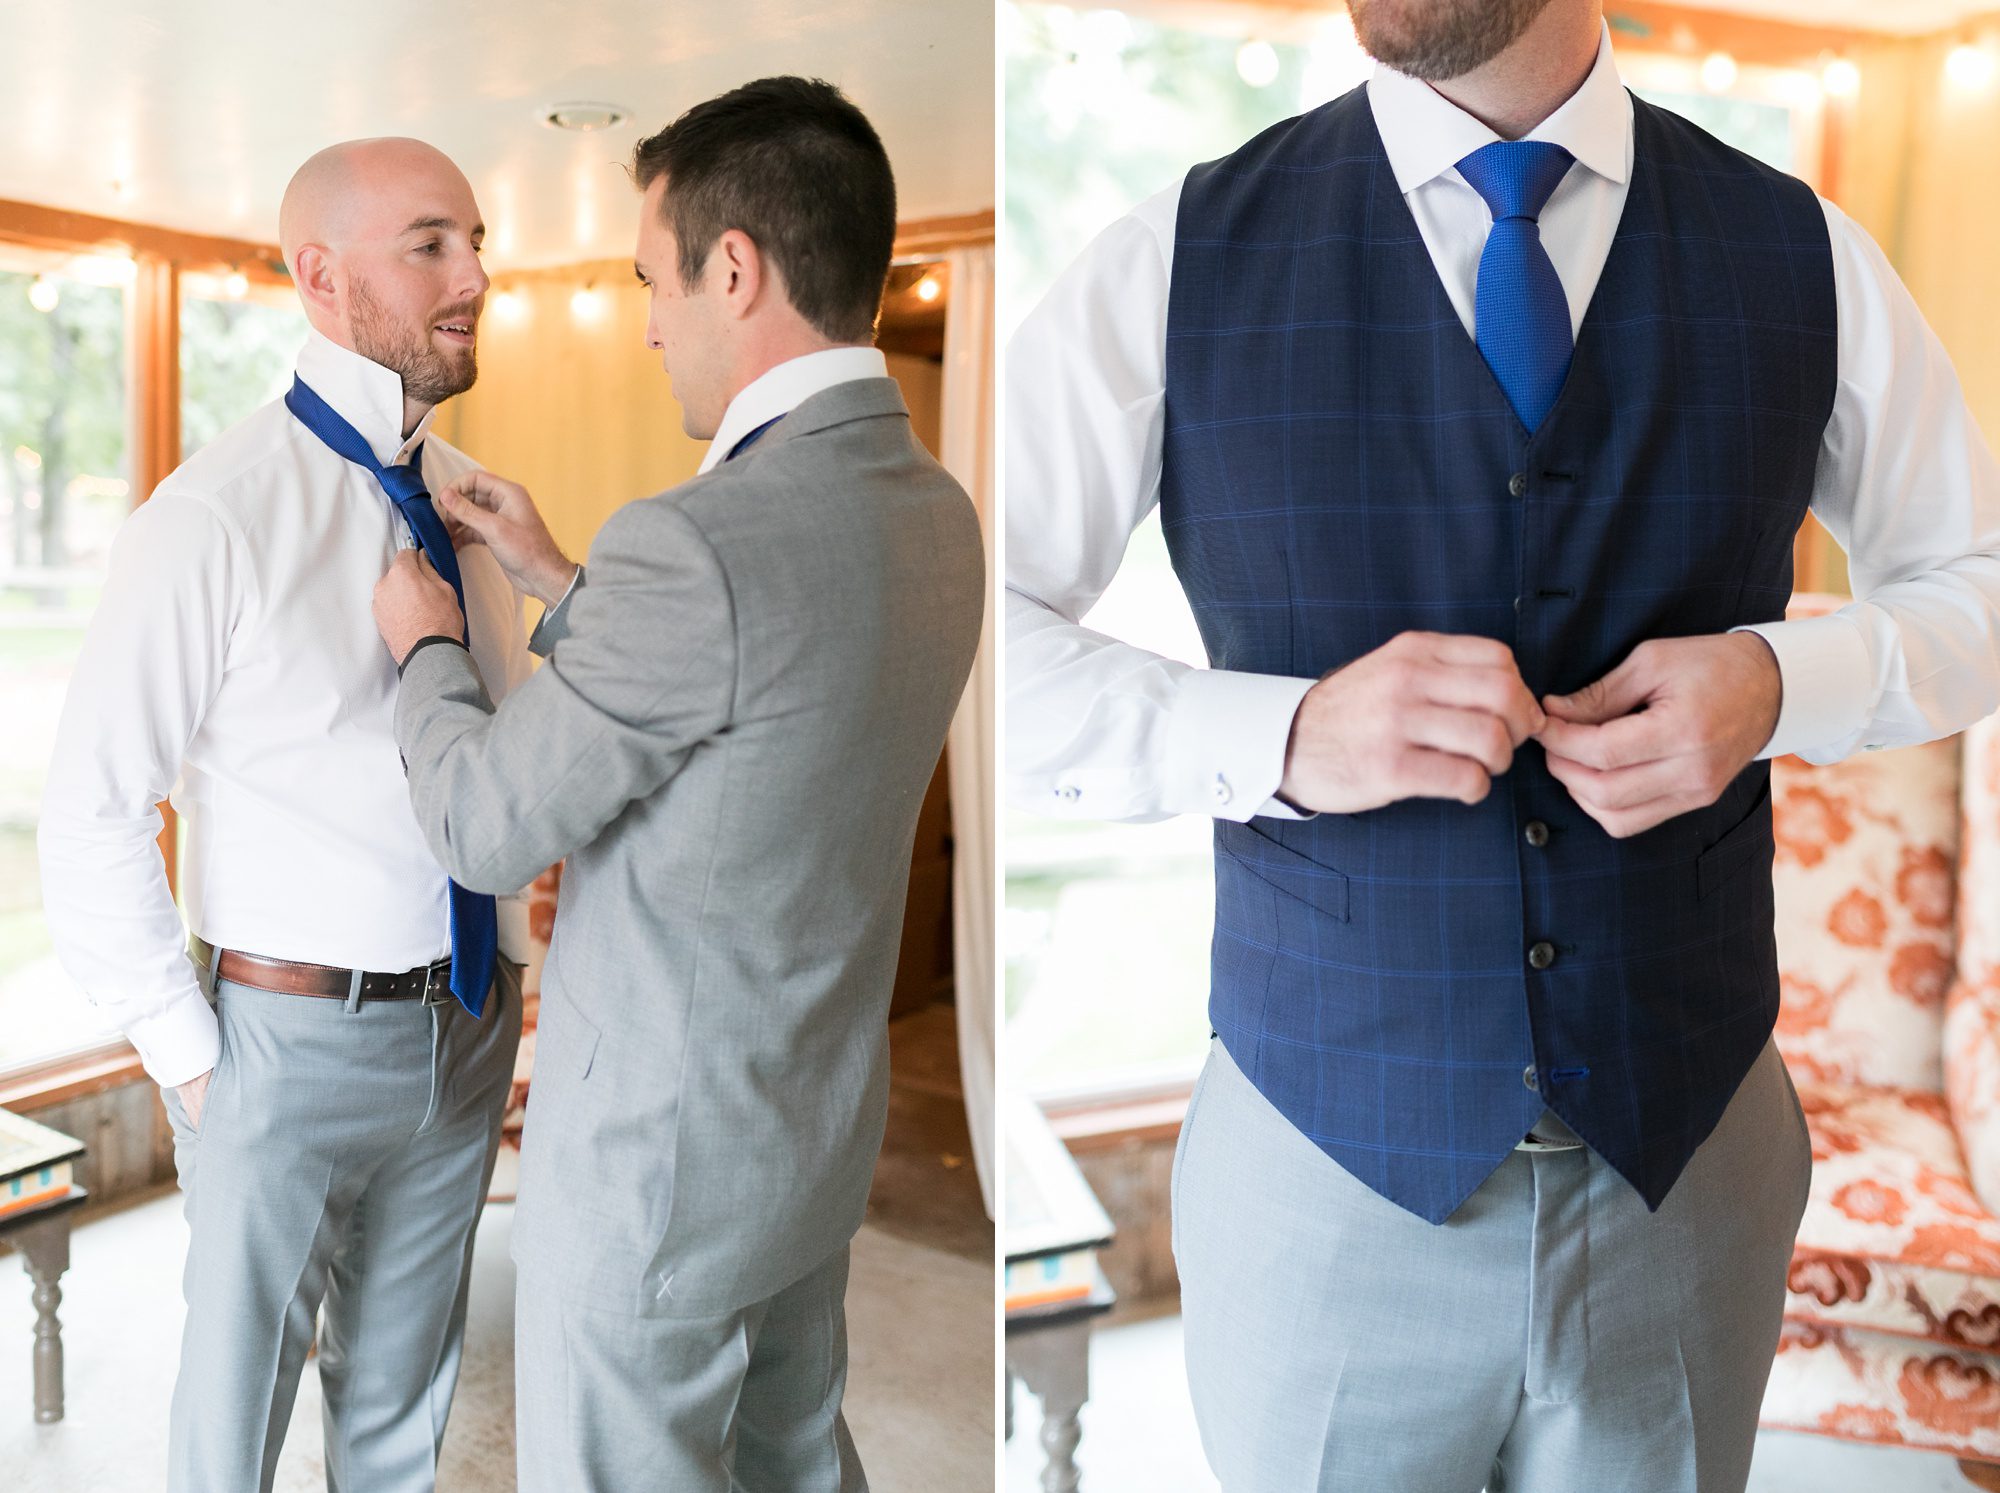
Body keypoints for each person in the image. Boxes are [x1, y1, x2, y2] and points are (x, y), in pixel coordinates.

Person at [1004, 1, 2000, 1488]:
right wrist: (1281, 730)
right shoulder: (1173, 260)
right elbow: (985, 634)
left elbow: (1976, 582)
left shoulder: (1803, 252)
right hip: (1320, 1184)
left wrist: (1780, 681)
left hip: (1691, 1176)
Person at [370, 75, 983, 1493]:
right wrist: (560, 582)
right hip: (807, 1143)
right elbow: (762, 707)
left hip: (655, 1175)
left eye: (652, 279)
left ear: (734, 267)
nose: (646, 319)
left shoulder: (696, 541)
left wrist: (430, 648)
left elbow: (478, 821)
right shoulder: (937, 510)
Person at [37, 137, 530, 1492]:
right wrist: (200, 1071)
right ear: (319, 277)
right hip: (278, 1048)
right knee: (232, 1431)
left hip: (467, 1027)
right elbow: (85, 814)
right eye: (432, 243)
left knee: (402, 1413)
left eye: (477, 240)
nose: (478, 275)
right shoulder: (210, 518)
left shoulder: (479, 511)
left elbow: (507, 765)